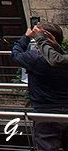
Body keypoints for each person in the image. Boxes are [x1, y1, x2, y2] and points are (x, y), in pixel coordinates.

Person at [13, 21, 68, 149]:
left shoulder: (35, 59)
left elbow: (16, 54)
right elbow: (58, 58)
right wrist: (55, 46)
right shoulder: (64, 59)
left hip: (46, 115)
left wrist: (26, 37)